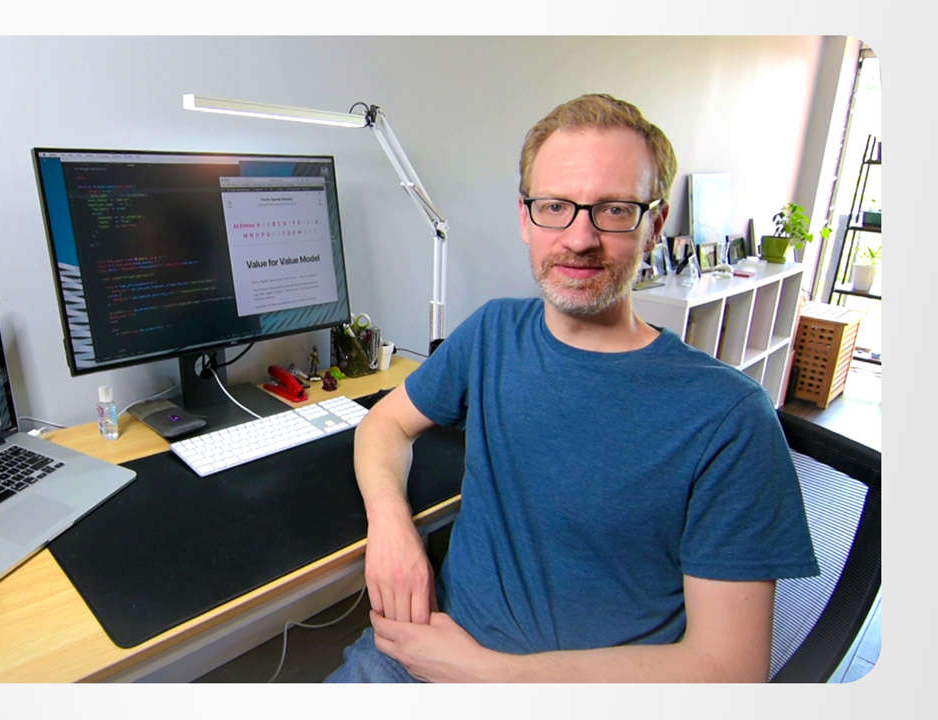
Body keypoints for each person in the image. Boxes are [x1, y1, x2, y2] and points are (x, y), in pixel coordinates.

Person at [326, 94, 819, 683]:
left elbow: (728, 671)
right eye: (555, 206)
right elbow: (384, 424)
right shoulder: (492, 334)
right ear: (525, 218)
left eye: (614, 210)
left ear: (655, 225)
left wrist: (483, 673)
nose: (580, 238)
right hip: (416, 657)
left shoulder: (729, 416)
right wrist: (391, 524)